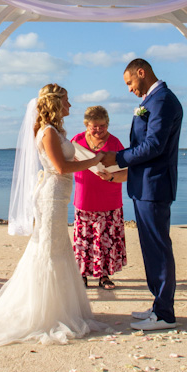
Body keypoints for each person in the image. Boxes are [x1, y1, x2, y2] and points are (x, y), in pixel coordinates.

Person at [0, 84, 104, 346]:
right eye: (67, 101)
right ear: (56, 103)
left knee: (57, 246)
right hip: (51, 194)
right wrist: (94, 161)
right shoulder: (48, 132)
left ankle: (60, 307)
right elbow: (61, 167)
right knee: (49, 248)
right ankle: (43, 311)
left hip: (59, 195)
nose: (70, 106)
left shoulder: (57, 130)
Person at [100, 59, 183, 331]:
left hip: (155, 186)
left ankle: (165, 315)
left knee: (158, 248)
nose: (129, 89)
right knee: (151, 248)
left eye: (129, 83)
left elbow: (154, 146)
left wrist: (118, 156)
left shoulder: (162, 101)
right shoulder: (153, 100)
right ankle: (159, 306)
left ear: (141, 72)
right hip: (144, 185)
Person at [72, 106, 128, 289]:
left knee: (106, 241)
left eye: (102, 126)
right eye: (94, 126)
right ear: (86, 125)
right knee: (83, 240)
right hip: (84, 199)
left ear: (108, 124)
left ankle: (104, 276)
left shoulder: (115, 143)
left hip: (109, 200)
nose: (98, 130)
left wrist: (111, 176)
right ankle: (82, 275)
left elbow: (128, 172)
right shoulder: (77, 141)